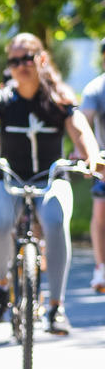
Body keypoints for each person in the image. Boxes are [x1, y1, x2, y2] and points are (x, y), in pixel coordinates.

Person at [0, 32, 101, 335]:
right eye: (14, 60)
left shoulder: (59, 98)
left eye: (27, 58)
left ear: (42, 59)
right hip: (10, 178)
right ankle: (3, 286)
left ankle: (56, 306)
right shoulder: (4, 99)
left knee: (54, 219)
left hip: (51, 179)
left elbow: (80, 131)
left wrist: (91, 157)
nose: (20, 65)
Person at [80, 38, 105, 293]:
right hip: (104, 161)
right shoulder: (96, 88)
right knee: (100, 211)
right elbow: (83, 122)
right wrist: (85, 154)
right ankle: (101, 266)